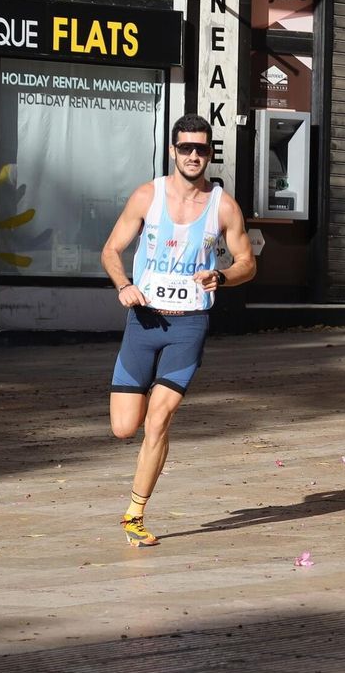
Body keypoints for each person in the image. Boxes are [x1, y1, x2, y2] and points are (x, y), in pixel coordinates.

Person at [102, 114, 256, 546]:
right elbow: (111, 251)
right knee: (123, 428)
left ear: (210, 154)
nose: (193, 155)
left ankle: (135, 513)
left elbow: (248, 263)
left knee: (159, 418)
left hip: (188, 325)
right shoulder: (146, 196)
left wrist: (222, 277)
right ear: (172, 150)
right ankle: (140, 479)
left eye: (202, 149)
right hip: (144, 320)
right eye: (186, 147)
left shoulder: (223, 206)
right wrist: (124, 286)